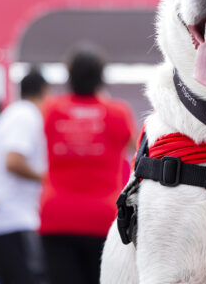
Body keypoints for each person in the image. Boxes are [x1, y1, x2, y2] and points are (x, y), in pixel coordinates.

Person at [40, 47, 135, 284]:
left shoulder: (51, 110)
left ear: (69, 77)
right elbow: (143, 152)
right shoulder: (117, 113)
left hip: (56, 217)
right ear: (101, 78)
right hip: (103, 219)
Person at [0, 69, 49, 284]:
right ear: (44, 91)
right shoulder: (27, 115)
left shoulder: (10, 116)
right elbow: (13, 160)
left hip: (4, 220)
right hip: (14, 220)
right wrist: (47, 178)